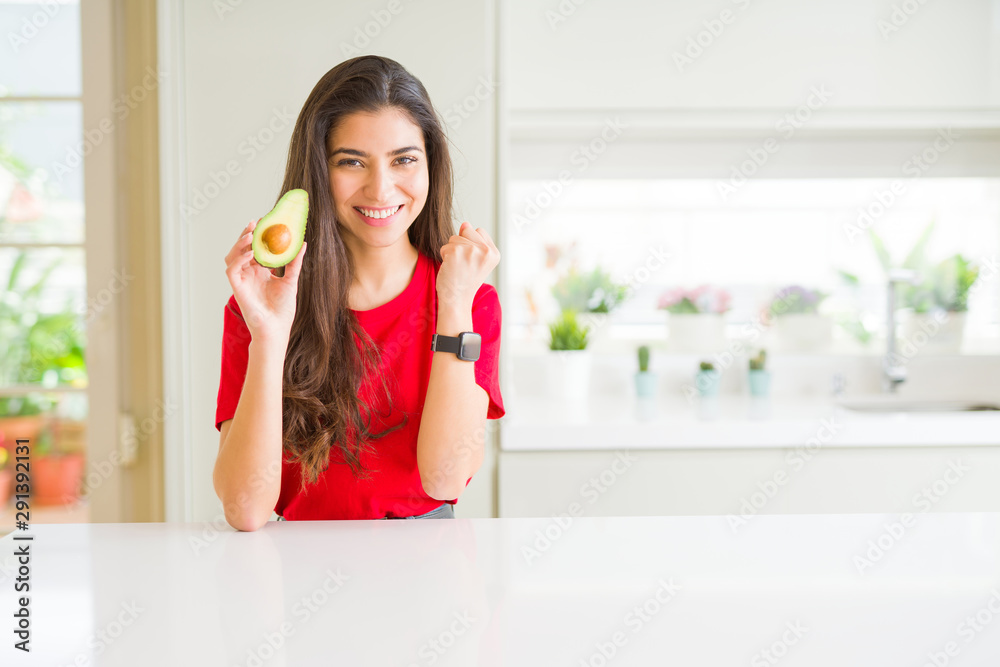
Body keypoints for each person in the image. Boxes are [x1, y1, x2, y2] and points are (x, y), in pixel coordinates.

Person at [213, 55, 504, 531]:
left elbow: (445, 481)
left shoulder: (471, 303)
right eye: (352, 162)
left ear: (431, 165)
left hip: (428, 565)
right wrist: (269, 334)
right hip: (299, 570)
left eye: (404, 160)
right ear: (318, 172)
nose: (380, 188)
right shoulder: (261, 305)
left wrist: (453, 305)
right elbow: (245, 509)